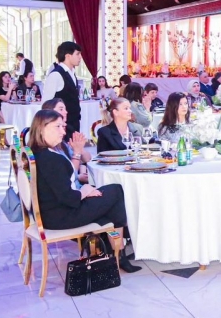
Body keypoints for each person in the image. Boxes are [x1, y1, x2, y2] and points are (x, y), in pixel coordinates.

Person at [29, 110, 140, 273]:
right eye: (57, 127)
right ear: (41, 129)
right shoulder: (51, 159)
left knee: (109, 198)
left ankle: (111, 250)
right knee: (116, 192)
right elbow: (68, 198)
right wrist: (85, 191)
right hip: (61, 216)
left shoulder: (38, 153)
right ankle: (117, 252)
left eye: (62, 126)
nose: (63, 131)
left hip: (49, 213)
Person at [41, 98, 92, 184]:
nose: (66, 112)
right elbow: (66, 175)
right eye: (61, 109)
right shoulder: (48, 146)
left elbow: (87, 159)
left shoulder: (69, 130)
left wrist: (80, 149)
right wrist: (78, 176)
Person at [41, 41, 83, 135]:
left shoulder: (72, 73)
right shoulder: (56, 75)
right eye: (77, 54)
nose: (80, 57)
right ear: (68, 56)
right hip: (61, 125)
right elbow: (46, 103)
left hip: (74, 122)